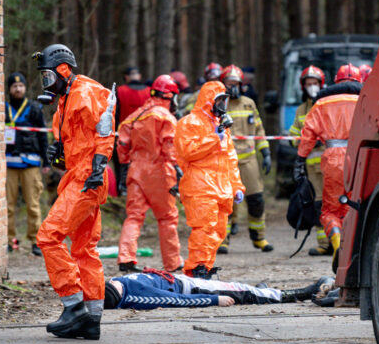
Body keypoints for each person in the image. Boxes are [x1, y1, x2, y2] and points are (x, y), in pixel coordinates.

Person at [34, 43, 116, 340]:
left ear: (63, 70)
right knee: (84, 249)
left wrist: (97, 165)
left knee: (48, 236)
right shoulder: (65, 100)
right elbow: (77, 143)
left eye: (47, 77)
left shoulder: (83, 93)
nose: (46, 83)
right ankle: (91, 319)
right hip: (78, 175)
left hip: (86, 178)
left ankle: (73, 305)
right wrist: (59, 153)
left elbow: (104, 131)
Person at [174, 80, 245, 279]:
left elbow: (230, 158)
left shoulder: (221, 127)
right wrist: (215, 138)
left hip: (222, 187)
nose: (223, 104)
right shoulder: (189, 123)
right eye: (219, 99)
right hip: (200, 186)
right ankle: (196, 268)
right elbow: (188, 152)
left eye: (224, 99)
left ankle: (205, 267)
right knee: (203, 230)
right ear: (208, 100)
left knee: (218, 232)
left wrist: (237, 185)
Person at [115, 74, 184, 274]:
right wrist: (177, 170)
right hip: (160, 171)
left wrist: (125, 164)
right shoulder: (166, 117)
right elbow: (170, 146)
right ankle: (172, 262)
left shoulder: (137, 115)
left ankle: (126, 257)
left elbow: (122, 141)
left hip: (136, 170)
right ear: (170, 96)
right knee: (167, 218)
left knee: (134, 216)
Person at [295, 63, 363, 257]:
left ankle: (336, 242)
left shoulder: (322, 103)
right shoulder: (366, 100)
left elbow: (307, 134)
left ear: (335, 80)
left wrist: (300, 159)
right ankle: (352, 248)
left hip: (333, 159)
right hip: (360, 158)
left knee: (330, 210)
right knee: (355, 205)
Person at [219, 64, 273, 253]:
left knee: (256, 199)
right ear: (222, 84)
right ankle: (222, 240)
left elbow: (258, 129)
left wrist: (265, 153)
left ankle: (259, 238)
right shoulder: (218, 105)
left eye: (236, 83)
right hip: (225, 161)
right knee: (225, 201)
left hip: (249, 159)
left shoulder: (249, 103)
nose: (233, 87)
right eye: (229, 83)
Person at [103, 269, 334, 310]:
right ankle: (306, 292)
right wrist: (214, 301)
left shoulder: (119, 282)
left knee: (243, 290)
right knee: (243, 293)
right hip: (191, 290)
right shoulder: (135, 295)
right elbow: (174, 300)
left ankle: (259, 293)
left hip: (182, 281)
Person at [4, 72, 50, 256]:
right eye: (14, 86)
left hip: (31, 163)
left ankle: (35, 241)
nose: (18, 88)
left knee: (33, 204)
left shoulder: (34, 108)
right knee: (7, 205)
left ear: (25, 87)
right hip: (8, 164)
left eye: (21, 85)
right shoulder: (2, 108)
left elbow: (42, 135)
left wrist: (46, 160)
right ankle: (8, 240)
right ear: (9, 89)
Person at [288, 65, 330, 256]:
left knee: (336, 203)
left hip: (331, 163)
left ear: (321, 85)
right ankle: (324, 243)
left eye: (315, 83)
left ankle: (341, 244)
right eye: (308, 84)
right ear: (303, 87)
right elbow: (294, 135)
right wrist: (296, 141)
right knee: (318, 204)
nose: (311, 87)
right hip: (312, 168)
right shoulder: (301, 110)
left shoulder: (328, 105)